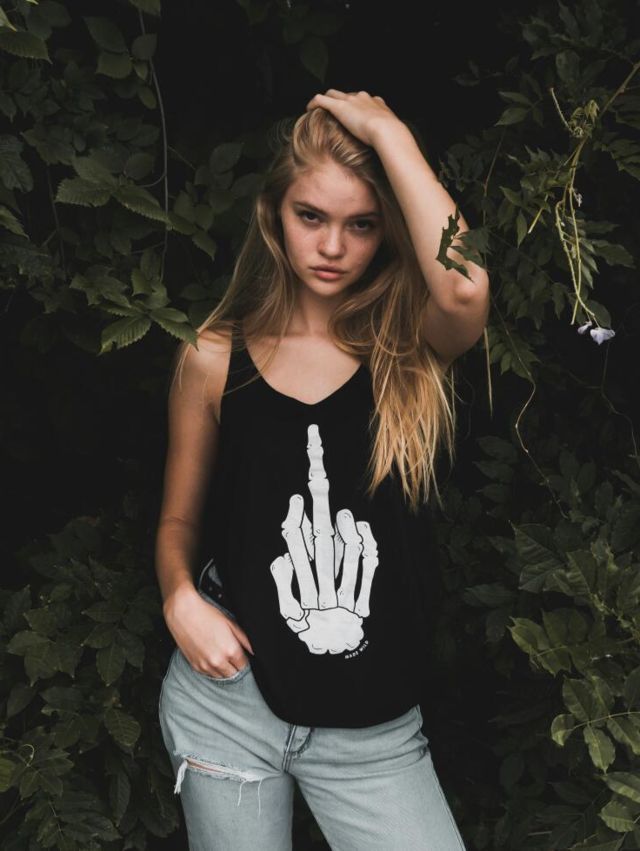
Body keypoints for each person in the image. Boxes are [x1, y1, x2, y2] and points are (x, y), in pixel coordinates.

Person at [155, 89, 489, 851]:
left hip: (372, 725)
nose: (332, 245)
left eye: (361, 223)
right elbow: (178, 517)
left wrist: (387, 131)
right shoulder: (213, 356)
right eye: (311, 215)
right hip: (228, 702)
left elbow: (465, 283)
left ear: (388, 229)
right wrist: (179, 597)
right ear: (274, 214)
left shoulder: (408, 347)